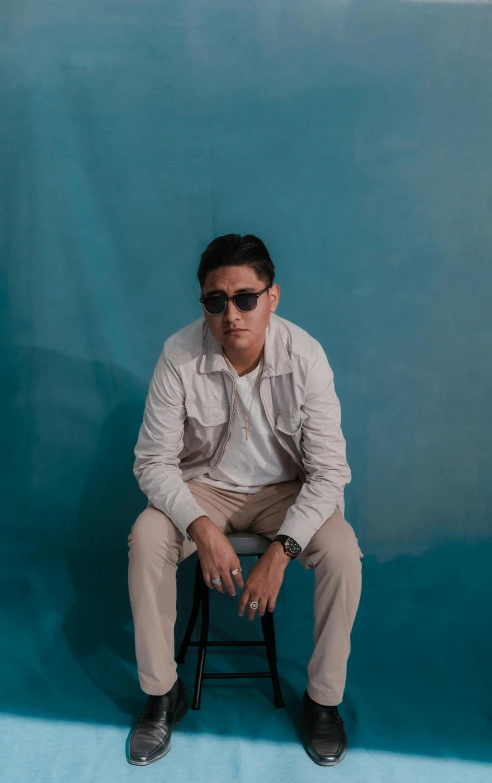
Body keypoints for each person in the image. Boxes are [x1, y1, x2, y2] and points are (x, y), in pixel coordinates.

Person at [127, 233, 363, 767]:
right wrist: (202, 529)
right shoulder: (179, 355)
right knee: (146, 538)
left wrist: (280, 553)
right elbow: (153, 463)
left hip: (287, 493)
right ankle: (162, 694)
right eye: (216, 301)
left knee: (343, 553)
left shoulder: (306, 358)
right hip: (203, 489)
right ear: (204, 304)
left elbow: (329, 474)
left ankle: (323, 703)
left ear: (272, 298)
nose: (230, 314)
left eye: (245, 298)